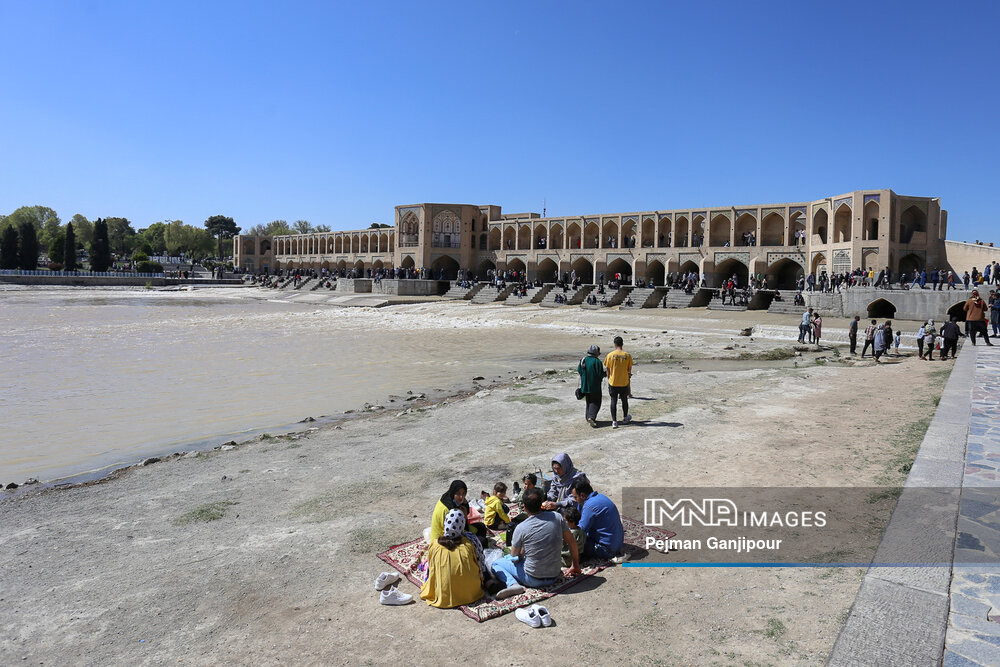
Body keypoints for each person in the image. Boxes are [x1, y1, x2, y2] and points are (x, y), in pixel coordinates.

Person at [490, 488, 581, 595]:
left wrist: (520, 554)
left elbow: (514, 559)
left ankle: (512, 584)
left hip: (532, 579)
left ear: (524, 506)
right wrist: (575, 565)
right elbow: (571, 542)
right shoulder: (557, 517)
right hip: (555, 575)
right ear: (541, 503)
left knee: (496, 564)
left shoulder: (521, 528)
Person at [420, 509, 486, 608]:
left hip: (444, 596)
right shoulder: (471, 541)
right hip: (471, 593)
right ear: (462, 524)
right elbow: (481, 563)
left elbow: (432, 569)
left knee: (427, 565)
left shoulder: (435, 544)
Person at [570, 479, 624, 559]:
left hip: (606, 550)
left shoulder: (589, 506)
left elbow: (580, 531)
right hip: (618, 544)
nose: (575, 500)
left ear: (582, 495)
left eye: (575, 497)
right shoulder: (600, 497)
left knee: (571, 541)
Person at [604, 336, 633, 429]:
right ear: (622, 344)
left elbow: (607, 370)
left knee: (613, 401)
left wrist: (609, 379)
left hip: (613, 382)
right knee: (624, 400)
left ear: (615, 344)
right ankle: (625, 418)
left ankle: (614, 421)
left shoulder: (610, 355)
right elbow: (629, 370)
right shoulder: (627, 355)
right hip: (624, 382)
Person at [578, 344, 606, 427]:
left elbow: (579, 370)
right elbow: (599, 374)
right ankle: (591, 417)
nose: (599, 354)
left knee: (589, 401)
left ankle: (588, 417)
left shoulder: (583, 359)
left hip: (584, 386)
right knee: (596, 402)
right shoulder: (597, 362)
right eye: (598, 352)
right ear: (595, 352)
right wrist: (606, 374)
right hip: (594, 386)